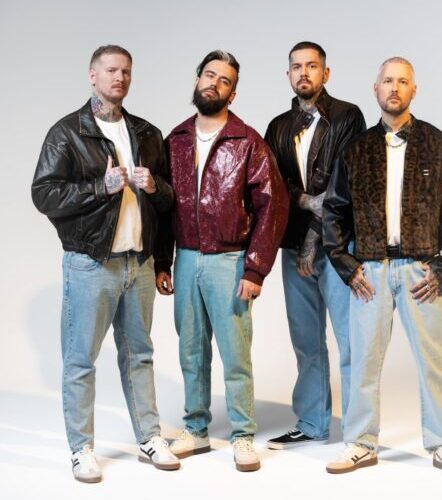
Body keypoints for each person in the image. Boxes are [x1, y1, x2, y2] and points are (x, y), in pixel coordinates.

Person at [32, 45, 179, 483]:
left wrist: (155, 189)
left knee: (140, 356)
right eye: (111, 70)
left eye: (126, 71)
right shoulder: (67, 133)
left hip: (139, 263)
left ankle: (149, 437)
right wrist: (101, 186)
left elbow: (168, 203)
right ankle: (81, 449)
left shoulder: (147, 133)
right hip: (91, 263)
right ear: (92, 76)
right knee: (81, 360)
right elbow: (44, 194)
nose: (120, 77)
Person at [322, 57, 442, 478]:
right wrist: (347, 266)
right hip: (369, 271)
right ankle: (361, 442)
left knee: (433, 361)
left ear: (413, 90)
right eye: (387, 80)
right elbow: (334, 212)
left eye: (402, 81)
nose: (394, 88)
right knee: (364, 362)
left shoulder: (440, 146)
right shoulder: (356, 150)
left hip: (420, 271)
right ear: (376, 89)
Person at [156, 50, 288, 472]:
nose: (214, 83)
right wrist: (162, 261)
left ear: (233, 92)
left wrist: (255, 268)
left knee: (235, 354)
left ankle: (242, 434)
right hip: (186, 258)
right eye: (209, 75)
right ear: (197, 79)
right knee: (191, 351)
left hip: (229, 261)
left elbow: (272, 205)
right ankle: (195, 429)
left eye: (224, 79)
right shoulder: (176, 139)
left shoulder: (247, 141)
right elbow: (163, 205)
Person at [264, 41, 365, 449]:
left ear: (326, 73)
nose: (303, 73)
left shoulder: (347, 116)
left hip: (338, 247)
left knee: (350, 339)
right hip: (292, 248)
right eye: (296, 67)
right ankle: (311, 422)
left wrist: (314, 239)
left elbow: (345, 183)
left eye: (311, 66)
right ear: (288, 74)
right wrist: (305, 204)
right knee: (306, 340)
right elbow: (274, 185)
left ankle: (359, 430)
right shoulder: (277, 127)